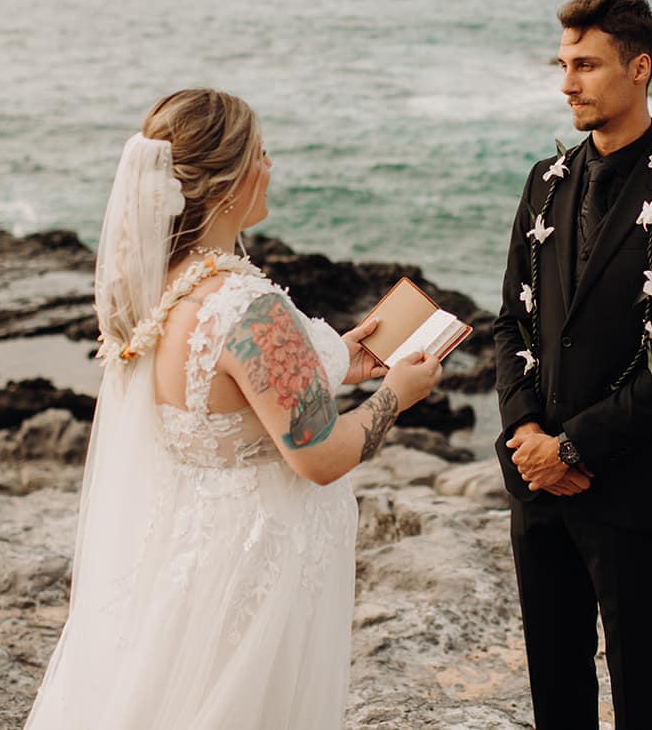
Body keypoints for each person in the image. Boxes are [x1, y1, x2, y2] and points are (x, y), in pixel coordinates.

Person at [25, 88, 442, 730]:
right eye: (262, 153)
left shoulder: (161, 292)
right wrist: (396, 395)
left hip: (187, 555)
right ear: (229, 184)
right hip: (256, 570)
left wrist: (335, 359)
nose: (271, 166)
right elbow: (321, 457)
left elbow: (235, 397)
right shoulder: (247, 306)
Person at [492, 0, 652, 730]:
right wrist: (530, 438)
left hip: (632, 487)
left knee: (645, 685)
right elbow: (513, 324)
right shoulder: (544, 182)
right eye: (562, 65)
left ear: (640, 68)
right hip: (539, 485)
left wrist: (575, 445)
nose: (567, 83)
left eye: (586, 65)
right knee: (555, 684)